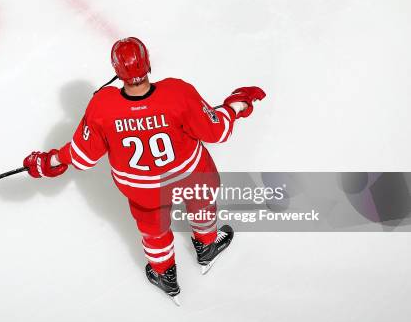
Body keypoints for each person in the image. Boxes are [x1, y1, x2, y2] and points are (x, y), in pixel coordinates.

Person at [23, 37, 265, 304]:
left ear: (117, 71)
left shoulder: (102, 105)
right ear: (148, 63)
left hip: (145, 190)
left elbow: (82, 156)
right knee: (202, 203)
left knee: (154, 230)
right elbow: (217, 130)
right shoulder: (177, 92)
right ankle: (207, 245)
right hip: (192, 175)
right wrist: (236, 105)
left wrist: (49, 161)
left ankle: (165, 275)